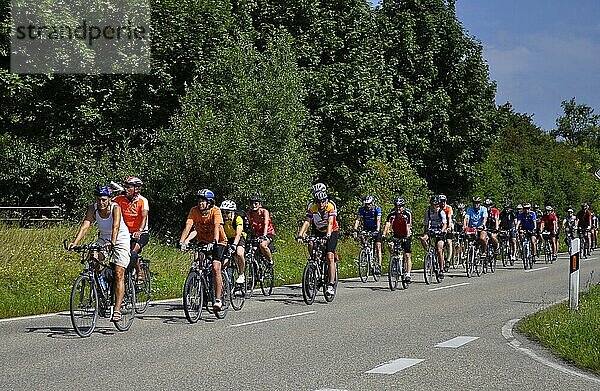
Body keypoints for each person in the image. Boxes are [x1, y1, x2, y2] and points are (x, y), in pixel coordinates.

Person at [70, 185, 131, 322]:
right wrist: (75, 243)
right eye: (99, 199)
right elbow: (85, 225)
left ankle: (117, 310)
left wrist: (113, 242)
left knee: (119, 272)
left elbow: (115, 226)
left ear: (109, 199)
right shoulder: (93, 208)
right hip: (103, 238)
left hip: (120, 238)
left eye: (104, 199)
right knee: (93, 257)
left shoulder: (115, 207)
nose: (101, 202)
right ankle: (102, 284)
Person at [179, 189, 228, 311]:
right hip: (203, 240)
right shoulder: (194, 211)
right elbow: (188, 226)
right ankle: (202, 290)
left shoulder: (215, 211)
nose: (200, 203)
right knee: (198, 261)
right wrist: (182, 241)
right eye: (199, 200)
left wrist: (215, 241)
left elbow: (217, 227)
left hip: (219, 241)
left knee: (216, 267)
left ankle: (217, 300)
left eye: (203, 201)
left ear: (209, 202)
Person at [297, 190, 339, 295]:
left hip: (332, 231)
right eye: (319, 202)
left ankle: (331, 284)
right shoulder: (313, 209)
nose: (321, 204)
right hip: (318, 230)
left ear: (326, 201)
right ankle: (314, 264)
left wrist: (328, 235)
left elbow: (330, 223)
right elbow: (307, 222)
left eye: (323, 201)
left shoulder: (330, 207)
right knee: (311, 243)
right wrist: (300, 234)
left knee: (329, 256)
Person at [113, 176, 149, 285]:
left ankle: (139, 272)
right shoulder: (119, 199)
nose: (126, 189)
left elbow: (144, 217)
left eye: (129, 187)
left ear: (136, 189)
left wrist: (139, 230)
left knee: (133, 252)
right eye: (126, 187)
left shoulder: (142, 201)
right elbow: (108, 206)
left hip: (140, 233)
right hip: (124, 233)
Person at [382, 197, 413, 282]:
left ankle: (408, 274)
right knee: (390, 244)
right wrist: (384, 235)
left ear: (403, 206)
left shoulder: (407, 214)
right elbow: (387, 225)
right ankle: (394, 259)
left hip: (406, 234)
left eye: (400, 206)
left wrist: (407, 237)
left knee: (407, 255)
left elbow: (408, 226)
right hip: (396, 234)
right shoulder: (392, 214)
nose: (398, 208)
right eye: (396, 206)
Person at [352, 195, 382, 275]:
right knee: (362, 235)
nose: (367, 206)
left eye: (369, 204)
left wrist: (377, 230)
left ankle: (379, 265)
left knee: (378, 246)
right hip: (367, 228)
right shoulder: (362, 209)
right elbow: (358, 219)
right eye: (366, 204)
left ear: (372, 203)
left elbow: (378, 220)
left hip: (376, 228)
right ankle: (365, 249)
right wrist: (355, 229)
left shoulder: (377, 209)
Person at [420, 195, 447, 279]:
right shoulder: (428, 212)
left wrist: (441, 231)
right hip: (431, 230)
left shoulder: (441, 212)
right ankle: (428, 252)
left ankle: (441, 269)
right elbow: (426, 223)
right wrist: (425, 233)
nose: (434, 206)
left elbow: (445, 224)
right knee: (422, 239)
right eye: (432, 204)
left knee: (439, 249)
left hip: (440, 231)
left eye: (436, 205)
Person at [220, 200, 246, 284]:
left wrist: (234, 245)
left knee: (239, 253)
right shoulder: (221, 220)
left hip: (239, 237)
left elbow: (238, 234)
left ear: (232, 212)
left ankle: (241, 274)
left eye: (227, 212)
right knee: (223, 262)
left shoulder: (237, 218)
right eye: (222, 212)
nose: (224, 214)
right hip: (227, 239)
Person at [247, 195, 275, 265]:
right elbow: (249, 225)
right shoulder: (249, 213)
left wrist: (264, 236)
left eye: (256, 203)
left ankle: (270, 262)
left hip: (268, 232)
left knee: (263, 245)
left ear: (260, 204)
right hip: (257, 233)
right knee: (253, 249)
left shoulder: (264, 212)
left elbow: (266, 224)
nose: (253, 205)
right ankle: (257, 267)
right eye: (252, 204)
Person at [439, 194, 454, 271]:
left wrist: (448, 227)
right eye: (441, 201)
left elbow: (449, 218)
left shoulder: (448, 208)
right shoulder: (437, 208)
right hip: (439, 227)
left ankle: (448, 260)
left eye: (444, 201)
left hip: (447, 225)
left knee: (448, 242)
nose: (442, 203)